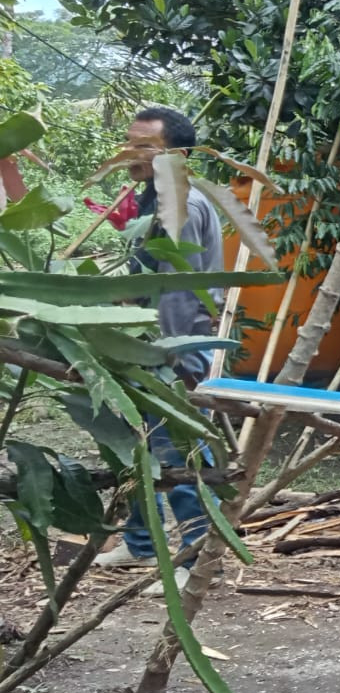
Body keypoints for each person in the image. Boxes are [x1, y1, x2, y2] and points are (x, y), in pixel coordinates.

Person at [92, 106, 224, 595]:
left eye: (145, 146)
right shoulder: (152, 198)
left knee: (178, 450)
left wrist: (172, 358)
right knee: (137, 446)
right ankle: (141, 543)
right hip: (144, 344)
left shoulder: (180, 203)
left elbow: (179, 289)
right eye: (129, 142)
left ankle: (196, 557)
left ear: (179, 155)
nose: (131, 153)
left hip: (172, 346)